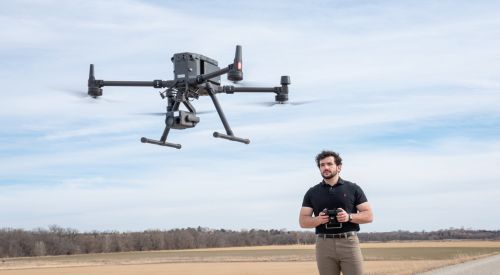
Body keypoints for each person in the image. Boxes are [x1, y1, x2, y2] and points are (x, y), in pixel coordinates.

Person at [299, 150, 373, 275]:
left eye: (329, 164)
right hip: (323, 244)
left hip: (349, 243)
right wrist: (318, 220)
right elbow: (303, 221)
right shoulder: (312, 192)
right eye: (322, 165)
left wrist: (348, 217)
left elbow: (369, 216)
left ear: (339, 167)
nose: (325, 167)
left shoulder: (353, 188)